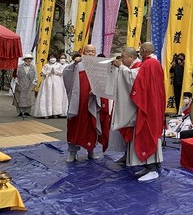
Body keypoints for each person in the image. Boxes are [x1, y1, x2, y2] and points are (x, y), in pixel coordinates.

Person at [111, 42, 166, 182]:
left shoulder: (150, 64)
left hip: (149, 106)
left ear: (144, 50)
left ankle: (152, 169)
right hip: (151, 104)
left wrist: (121, 68)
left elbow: (135, 80)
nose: (139, 52)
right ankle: (148, 167)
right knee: (146, 134)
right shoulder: (151, 63)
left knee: (148, 134)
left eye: (140, 49)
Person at [63, 45, 102, 162]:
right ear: (83, 52)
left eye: (93, 51)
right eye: (88, 51)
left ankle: (91, 151)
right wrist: (74, 63)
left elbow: (104, 82)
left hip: (92, 101)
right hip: (79, 102)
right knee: (75, 126)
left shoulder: (98, 65)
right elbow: (66, 75)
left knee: (91, 125)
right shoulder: (77, 65)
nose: (90, 53)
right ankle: (72, 152)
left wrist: (97, 90)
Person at [33, 54, 68, 118]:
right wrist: (48, 72)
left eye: (54, 57)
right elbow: (43, 72)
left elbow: (62, 72)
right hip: (48, 82)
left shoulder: (59, 65)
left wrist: (55, 71)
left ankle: (56, 113)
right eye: (51, 58)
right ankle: (46, 112)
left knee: (57, 97)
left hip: (57, 82)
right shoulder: (46, 65)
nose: (52, 59)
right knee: (48, 96)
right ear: (48, 58)